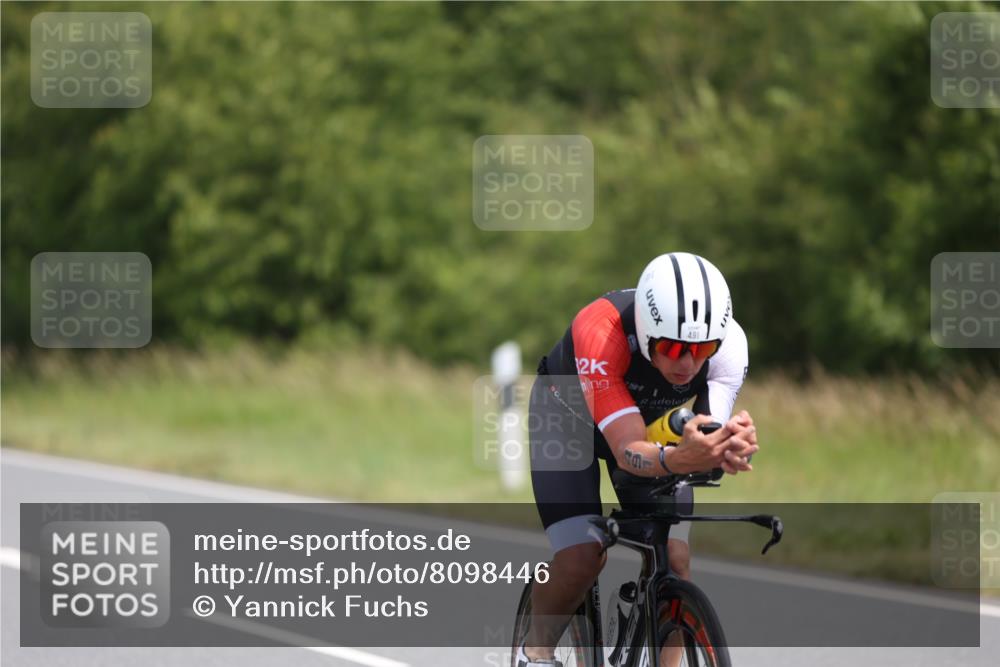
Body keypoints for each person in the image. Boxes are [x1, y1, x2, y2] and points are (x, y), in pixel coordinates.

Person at [516, 252, 758, 667]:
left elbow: (704, 430)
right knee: (583, 557)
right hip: (569, 424)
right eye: (673, 348)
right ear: (646, 333)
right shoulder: (601, 331)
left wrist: (723, 447)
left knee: (676, 559)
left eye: (702, 350)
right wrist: (681, 458)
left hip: (645, 426)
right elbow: (628, 451)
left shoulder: (729, 346)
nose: (688, 363)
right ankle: (534, 653)